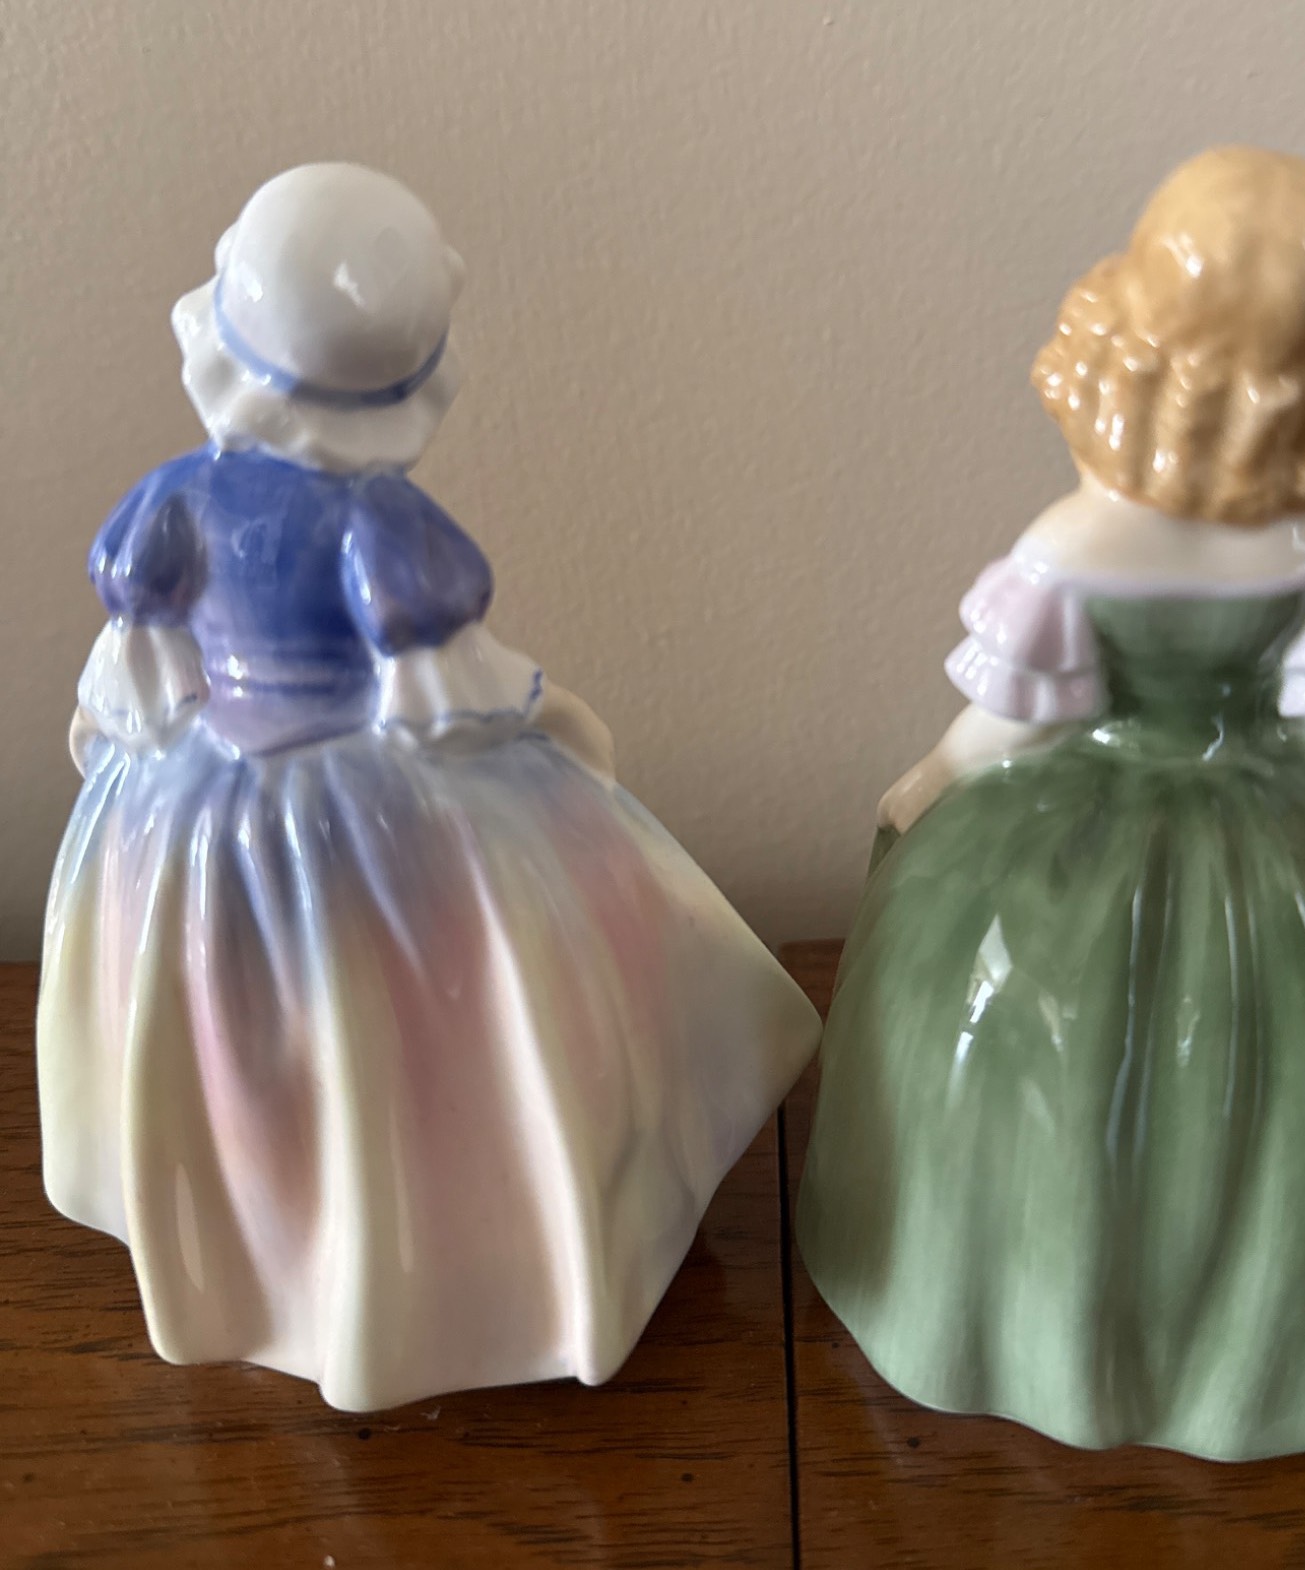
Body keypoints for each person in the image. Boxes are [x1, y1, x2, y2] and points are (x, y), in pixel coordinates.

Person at [39, 163, 821, 1412]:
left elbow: (140, 621)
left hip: (196, 805)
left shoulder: (183, 496)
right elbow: (443, 664)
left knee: (248, 1024)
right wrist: (533, 726)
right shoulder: (374, 525)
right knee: (435, 1012)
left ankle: (293, 1246)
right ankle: (420, 1251)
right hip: (362, 815)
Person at [795, 147, 1305, 1461]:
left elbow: (1014, 721)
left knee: (1029, 1067)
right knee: (1303, 1098)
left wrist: (934, 784)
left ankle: (1008, 1320)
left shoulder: (1082, 543)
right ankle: (1260, 1355)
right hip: (1297, 840)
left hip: (1065, 838)